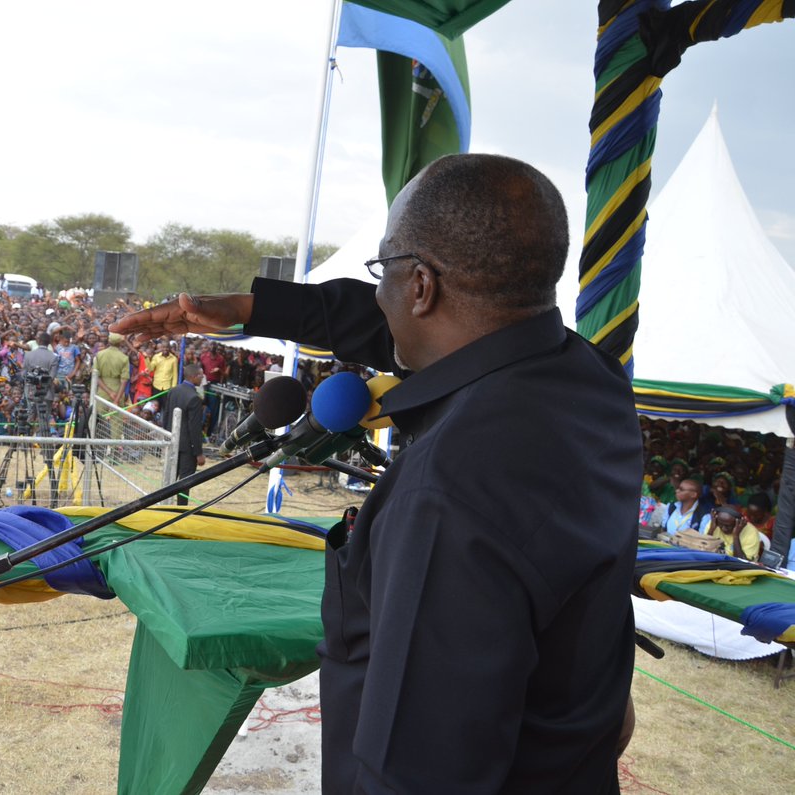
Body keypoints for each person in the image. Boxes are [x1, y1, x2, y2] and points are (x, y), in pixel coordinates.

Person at [111, 153, 642, 792]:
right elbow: (407, 320)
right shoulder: (589, 380)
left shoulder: (446, 496)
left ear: (420, 286)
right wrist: (254, 308)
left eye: (382, 269)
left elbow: (416, 772)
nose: (379, 294)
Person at [166, 375, 205, 506]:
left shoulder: (173, 391)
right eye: (201, 376)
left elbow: (166, 416)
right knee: (185, 481)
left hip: (172, 441)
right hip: (187, 447)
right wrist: (198, 452)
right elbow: (194, 427)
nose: (202, 379)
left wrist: (166, 437)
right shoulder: (194, 398)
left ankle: (165, 504)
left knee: (170, 478)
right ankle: (181, 508)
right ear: (194, 376)